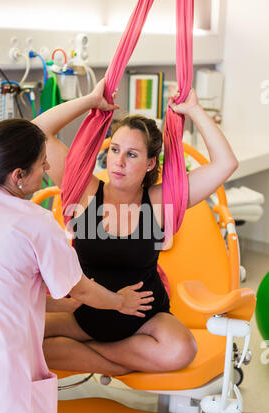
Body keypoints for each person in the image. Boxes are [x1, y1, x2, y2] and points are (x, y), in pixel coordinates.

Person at [0, 89, 155, 413]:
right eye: (42, 163)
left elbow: (6, 285)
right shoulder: (35, 222)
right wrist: (119, 302)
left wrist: (89, 100)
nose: (49, 168)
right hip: (2, 369)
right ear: (20, 175)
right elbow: (80, 290)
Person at [35, 80, 239, 376]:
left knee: (182, 349)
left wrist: (194, 110)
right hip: (85, 313)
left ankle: (98, 356)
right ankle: (119, 364)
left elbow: (226, 163)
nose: (118, 161)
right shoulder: (84, 191)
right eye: (115, 149)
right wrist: (90, 100)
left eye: (131, 154)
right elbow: (36, 133)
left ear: (149, 163)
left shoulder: (160, 203)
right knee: (22, 338)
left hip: (143, 318)